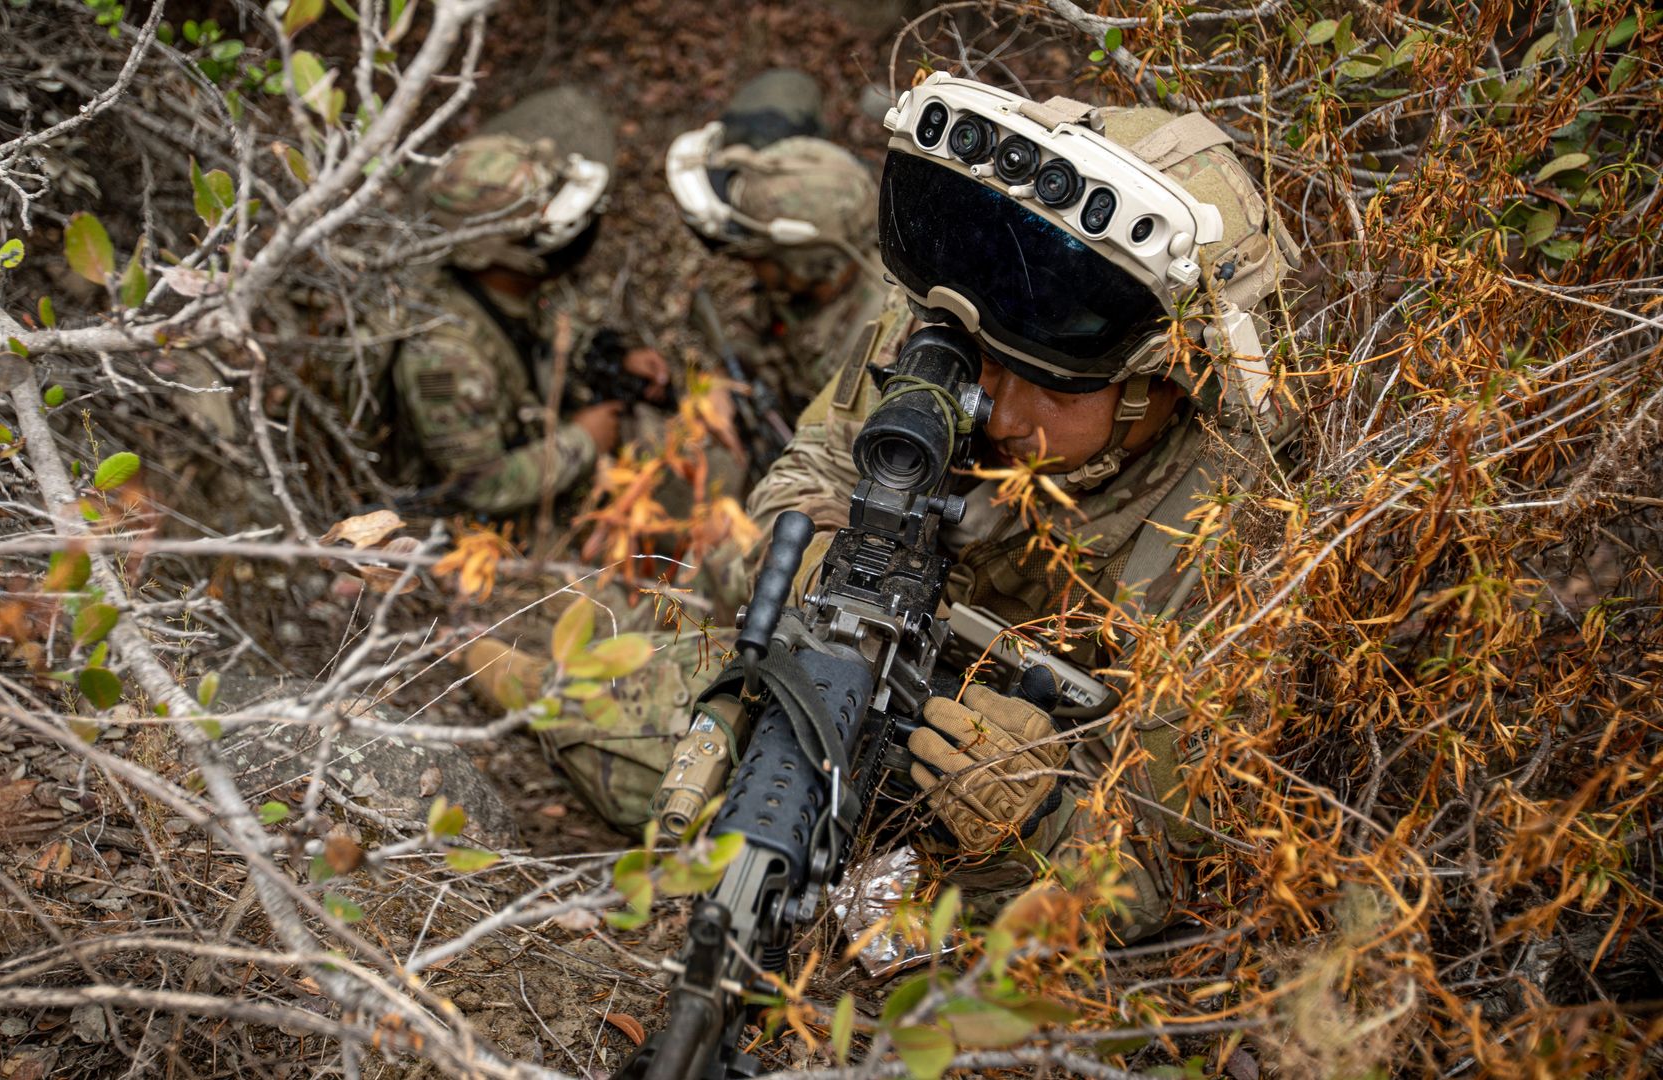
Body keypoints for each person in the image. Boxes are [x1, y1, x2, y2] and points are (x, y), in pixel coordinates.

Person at [479, 78, 1301, 942]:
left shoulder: (1230, 531)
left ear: (1170, 377)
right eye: (984, 359)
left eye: (1053, 385)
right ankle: (543, 687)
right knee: (669, 749)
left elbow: (1168, 867)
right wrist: (810, 560)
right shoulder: (942, 333)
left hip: (1002, 786)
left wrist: (1038, 816)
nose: (995, 407)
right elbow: (810, 471)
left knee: (975, 928)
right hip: (858, 681)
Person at [373, 87, 674, 520]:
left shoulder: (513, 289)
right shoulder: (444, 357)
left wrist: (616, 358)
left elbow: (545, 335)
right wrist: (583, 442)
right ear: (494, 253)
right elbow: (476, 486)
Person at [666, 70, 900, 420]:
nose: (750, 267)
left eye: (761, 257)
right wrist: (721, 381)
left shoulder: (880, 352)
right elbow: (760, 332)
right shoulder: (802, 288)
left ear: (804, 263)